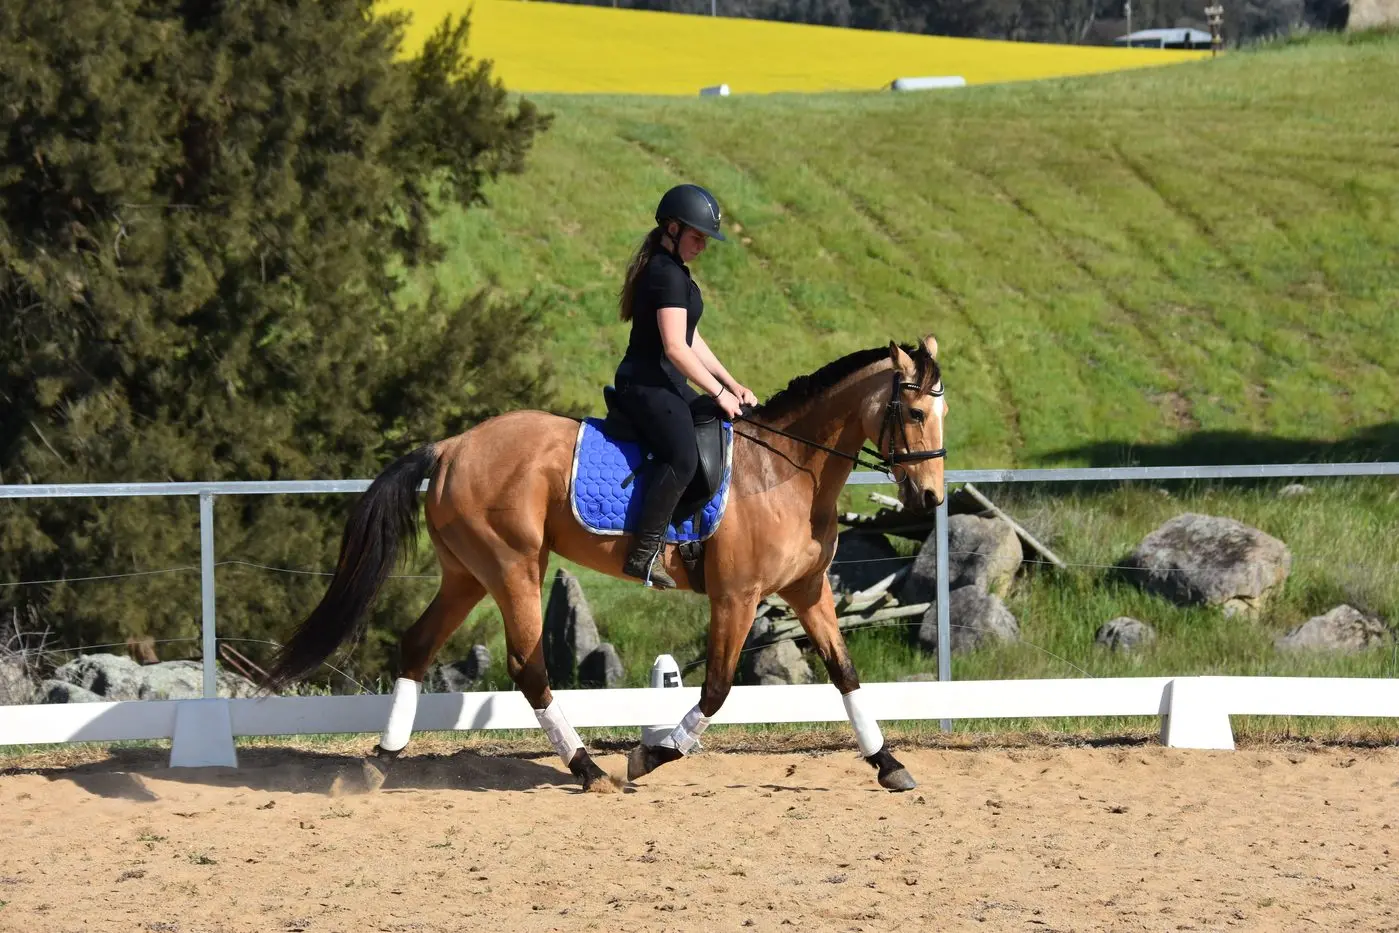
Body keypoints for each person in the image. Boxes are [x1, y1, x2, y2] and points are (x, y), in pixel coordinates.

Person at [612, 184, 757, 588]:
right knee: (682, 456)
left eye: (706, 239)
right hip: (644, 385)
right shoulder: (664, 274)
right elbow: (676, 349)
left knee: (717, 426)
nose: (703, 246)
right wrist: (717, 392)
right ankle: (643, 553)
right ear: (672, 228)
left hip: (666, 383)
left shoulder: (675, 272)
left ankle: (689, 533)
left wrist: (732, 384)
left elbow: (691, 337)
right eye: (697, 237)